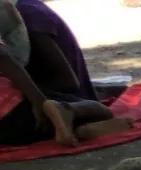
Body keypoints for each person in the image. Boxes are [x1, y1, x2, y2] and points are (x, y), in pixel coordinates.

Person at [0, 10, 124, 148]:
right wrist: (37, 100)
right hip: (17, 107)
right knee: (102, 111)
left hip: (7, 132)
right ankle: (69, 111)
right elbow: (3, 57)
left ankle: (76, 129)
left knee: (44, 127)